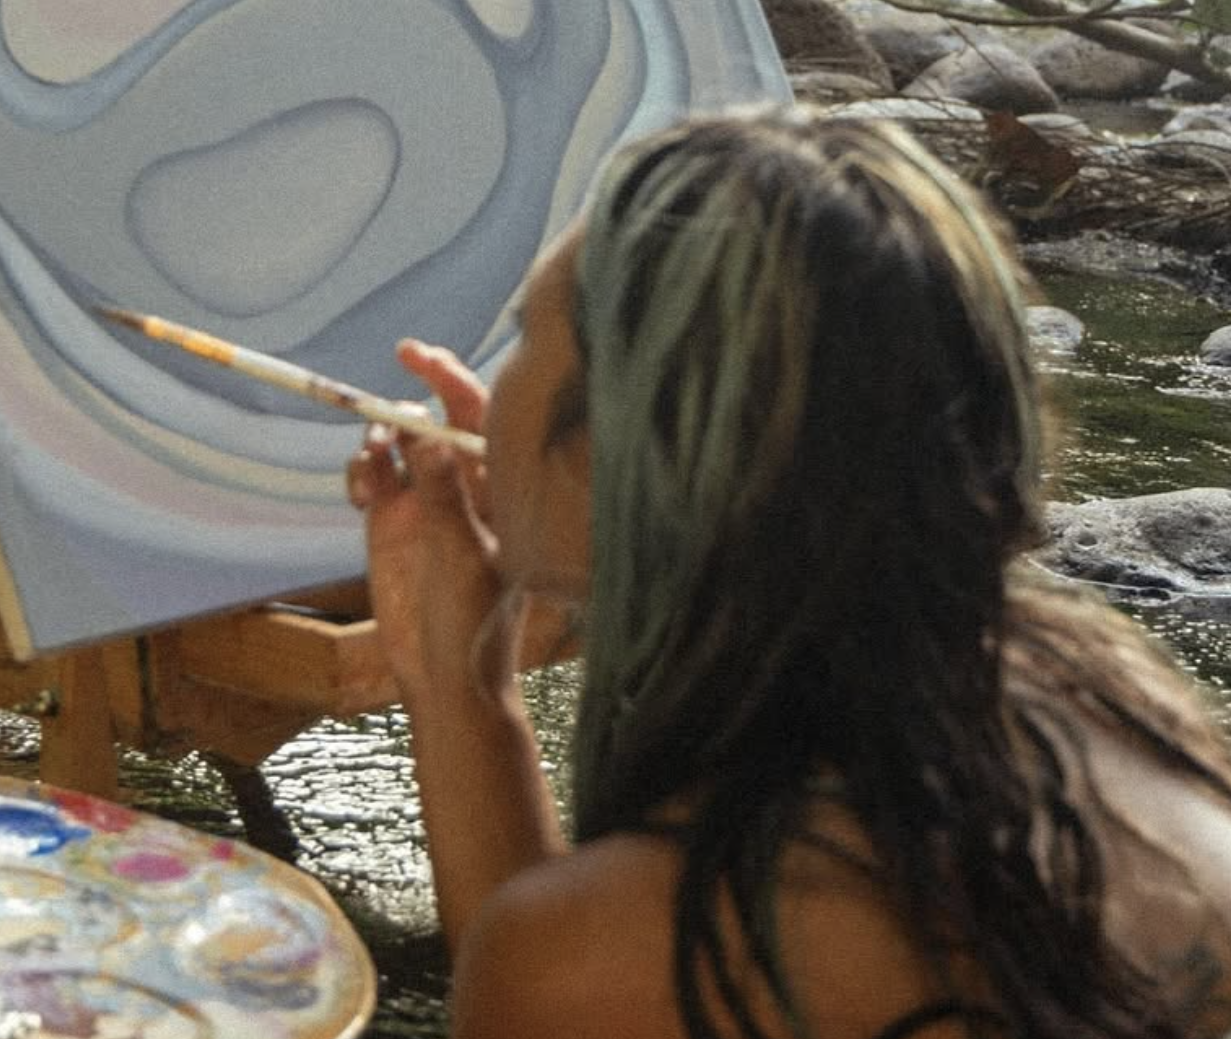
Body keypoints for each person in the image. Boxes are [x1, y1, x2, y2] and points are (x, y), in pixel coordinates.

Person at [347, 108, 1231, 1039]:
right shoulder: (1108, 700)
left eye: (525, 337)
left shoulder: (644, 950)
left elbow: (568, 984)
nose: (492, 395)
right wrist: (457, 679)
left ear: (633, 450)